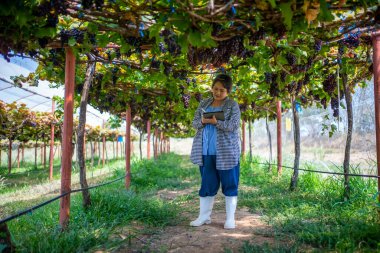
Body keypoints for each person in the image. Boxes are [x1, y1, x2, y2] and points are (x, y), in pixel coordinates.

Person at [190, 73, 241, 229]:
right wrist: (203, 122)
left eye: (222, 90)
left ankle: (230, 219)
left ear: (228, 91)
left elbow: (233, 125)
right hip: (205, 151)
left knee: (230, 184)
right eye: (215, 89)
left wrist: (216, 122)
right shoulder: (204, 103)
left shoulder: (232, 105)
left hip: (226, 152)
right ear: (212, 88)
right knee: (207, 184)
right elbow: (194, 123)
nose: (218, 92)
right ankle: (204, 217)